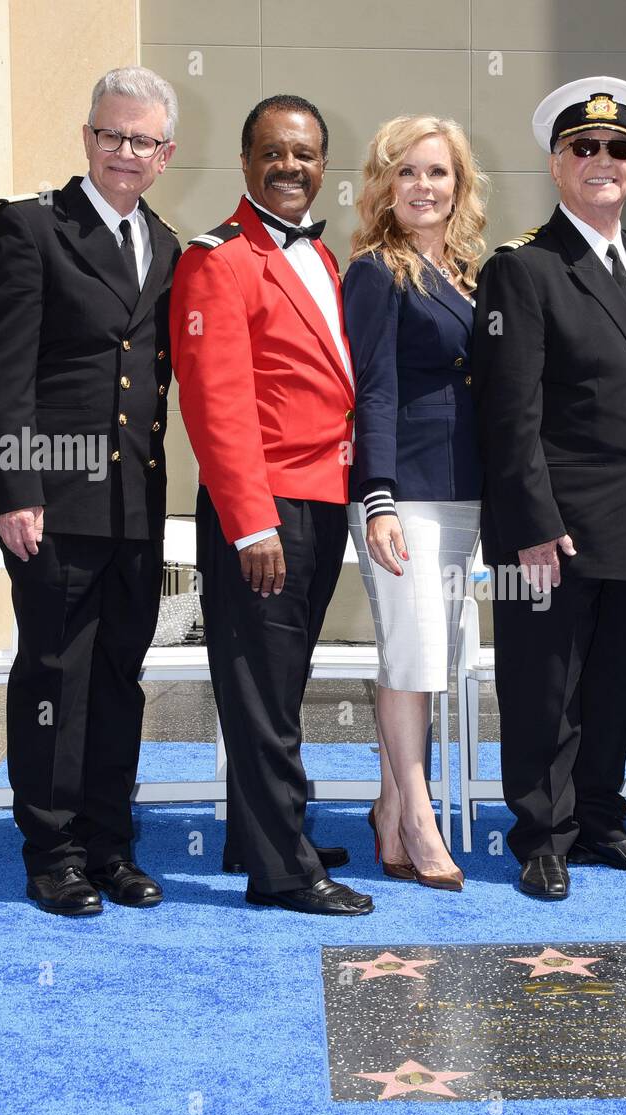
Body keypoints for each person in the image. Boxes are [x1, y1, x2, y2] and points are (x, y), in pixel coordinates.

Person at [0, 67, 180, 916]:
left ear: (166, 154)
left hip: (134, 506)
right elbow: (2, 368)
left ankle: (109, 843)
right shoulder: (31, 228)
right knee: (57, 675)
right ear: (87, 137)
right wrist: (16, 489)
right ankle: (52, 851)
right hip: (54, 501)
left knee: (119, 680)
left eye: (142, 140)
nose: (124, 152)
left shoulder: (166, 246)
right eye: (110, 134)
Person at [472, 77, 626, 900]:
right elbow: (508, 413)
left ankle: (599, 821)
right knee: (542, 685)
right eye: (584, 148)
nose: (603, 161)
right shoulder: (524, 269)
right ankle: (541, 836)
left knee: (610, 683)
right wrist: (531, 521)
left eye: (619, 150)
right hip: (551, 526)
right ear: (557, 164)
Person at [170, 94, 372, 916]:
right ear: (246, 162)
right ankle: (282, 869)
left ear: (325, 165)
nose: (290, 167)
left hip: (320, 500)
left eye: (305, 154)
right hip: (263, 510)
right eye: (273, 153)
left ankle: (260, 833)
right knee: (258, 686)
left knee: (280, 682)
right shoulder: (217, 259)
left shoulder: (319, 260)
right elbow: (214, 403)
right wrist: (250, 520)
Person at [343, 115, 488, 892]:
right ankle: (420, 817)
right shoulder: (375, 272)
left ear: (459, 185)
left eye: (437, 173)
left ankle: (390, 804)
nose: (422, 187)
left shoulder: (469, 273)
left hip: (462, 495)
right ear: (383, 186)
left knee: (426, 660)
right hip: (403, 497)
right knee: (413, 652)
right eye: (406, 172)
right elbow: (373, 392)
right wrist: (379, 499)